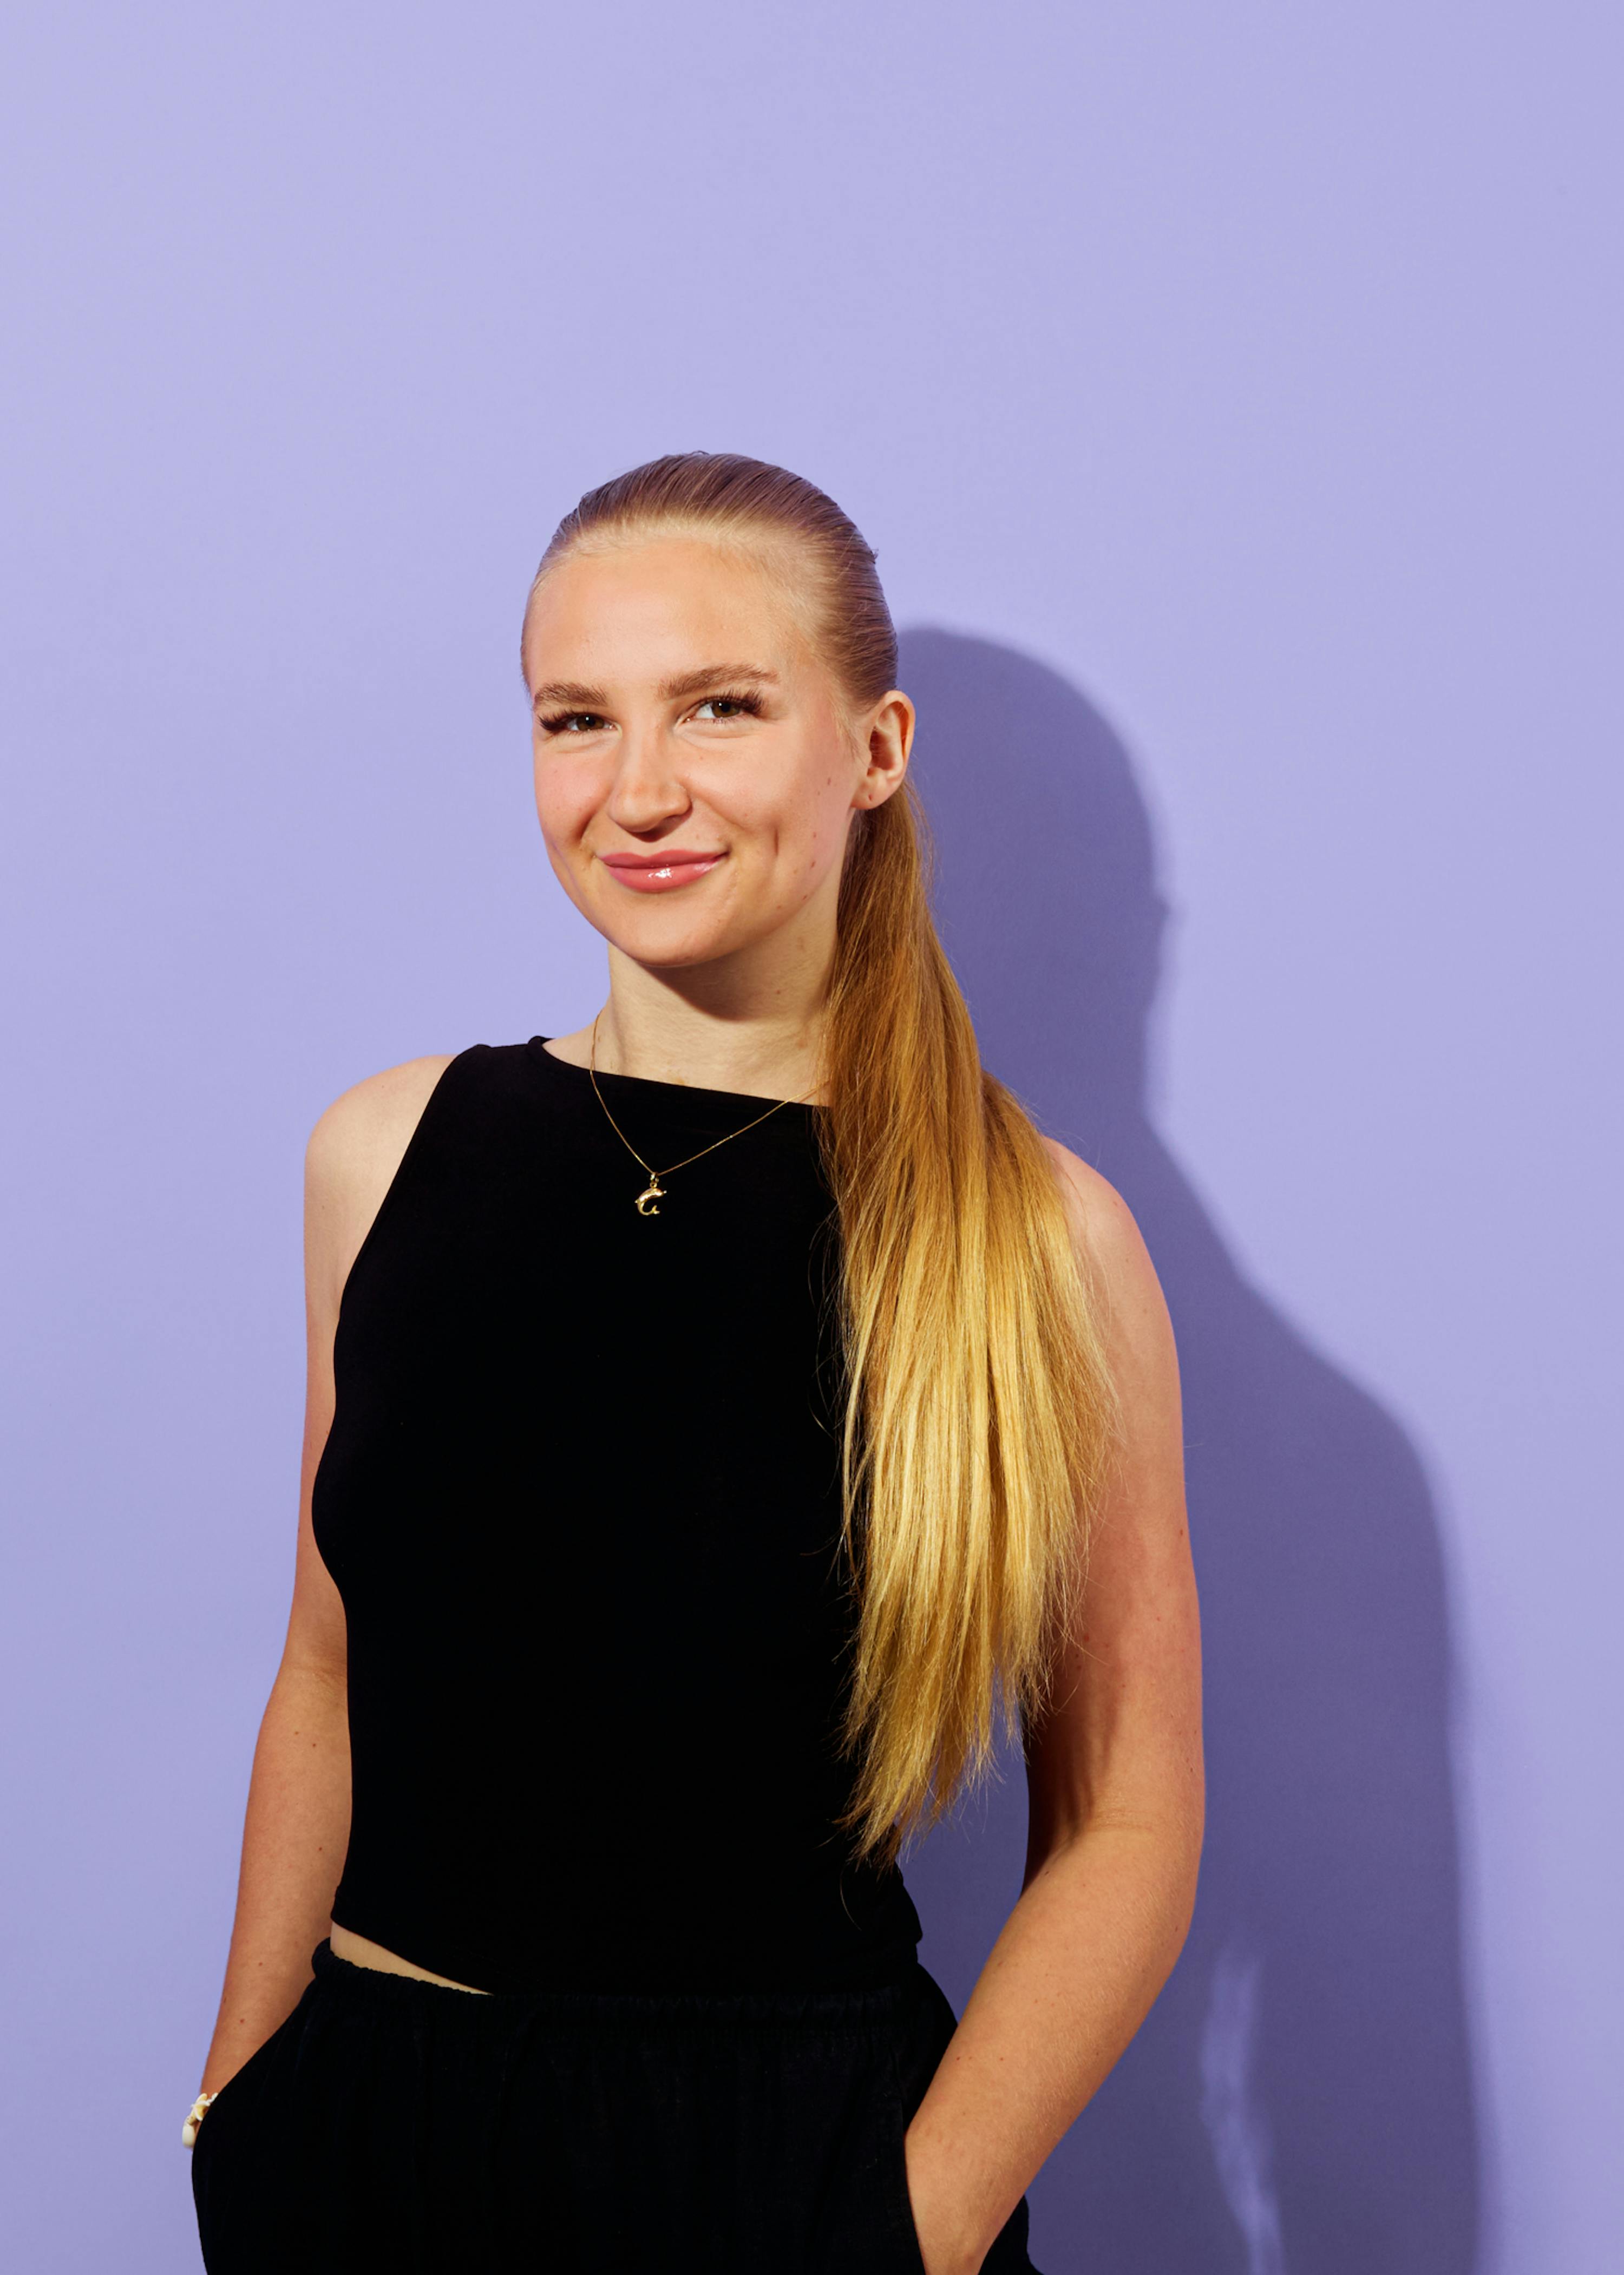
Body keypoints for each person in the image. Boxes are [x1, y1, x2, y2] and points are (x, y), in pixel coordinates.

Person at [186, 453, 1203, 2275]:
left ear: (874, 747)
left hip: (796, 2167)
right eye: (578, 718)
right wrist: (234, 2102)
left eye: (721, 707)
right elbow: (328, 1673)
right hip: (371, 2139)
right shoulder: (385, 1152)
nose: (637, 789)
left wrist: (908, 2224)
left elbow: (1126, 1817)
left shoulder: (1039, 1244)